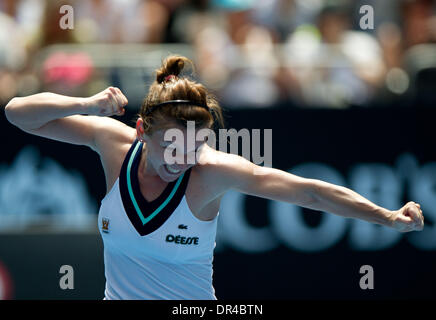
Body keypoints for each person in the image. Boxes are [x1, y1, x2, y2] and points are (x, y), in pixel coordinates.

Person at [4, 54, 424, 300]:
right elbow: (17, 113)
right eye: (170, 145)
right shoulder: (111, 144)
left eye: (193, 146)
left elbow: (310, 193)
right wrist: (87, 103)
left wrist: (386, 216)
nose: (181, 159)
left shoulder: (214, 173)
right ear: (141, 132)